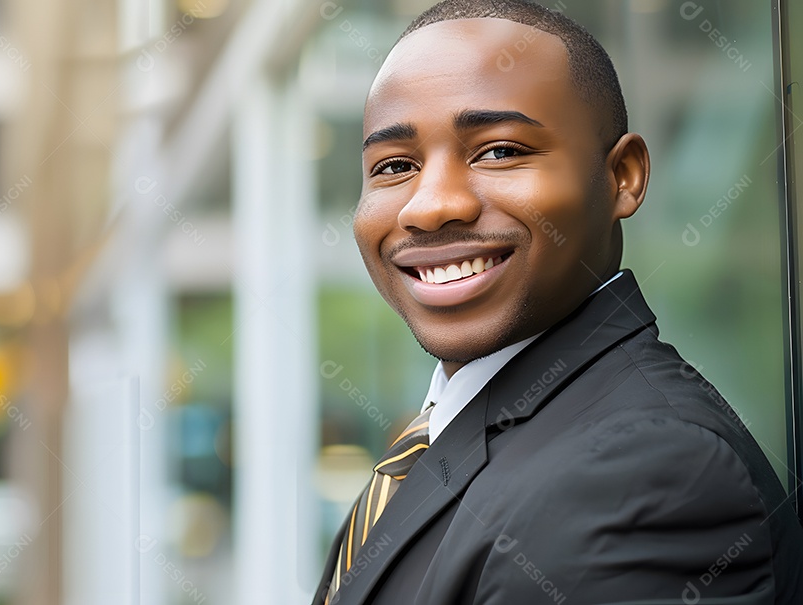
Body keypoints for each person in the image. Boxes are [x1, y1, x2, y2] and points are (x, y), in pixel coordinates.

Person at [313, 1, 803, 603]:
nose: (430, 205)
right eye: (394, 166)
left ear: (622, 176)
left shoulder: (642, 473)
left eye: (499, 151)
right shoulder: (462, 434)